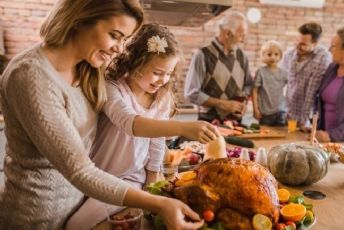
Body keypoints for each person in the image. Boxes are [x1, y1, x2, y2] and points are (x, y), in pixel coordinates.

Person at [0, 1, 210, 229]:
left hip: (81, 202)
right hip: (38, 217)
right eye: (115, 35)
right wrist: (157, 203)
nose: (120, 49)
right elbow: (79, 169)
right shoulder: (31, 75)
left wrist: (152, 180)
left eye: (124, 40)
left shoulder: (87, 68)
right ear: (80, 19)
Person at [66, 23, 220, 229]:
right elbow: (130, 124)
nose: (163, 80)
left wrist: (151, 183)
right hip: (99, 176)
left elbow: (156, 143)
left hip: (131, 179)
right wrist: (182, 128)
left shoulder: (162, 98)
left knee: (76, 226)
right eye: (157, 72)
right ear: (136, 62)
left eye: (168, 73)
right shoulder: (113, 88)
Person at [184, 11, 253, 123]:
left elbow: (249, 85)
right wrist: (222, 104)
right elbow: (192, 93)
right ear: (227, 33)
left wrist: (243, 102)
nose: (244, 39)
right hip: (209, 125)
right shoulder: (203, 55)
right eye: (241, 35)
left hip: (236, 125)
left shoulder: (242, 56)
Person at [280, 22, 332, 130]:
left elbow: (312, 90)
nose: (297, 46)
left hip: (309, 118)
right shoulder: (289, 55)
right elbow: (281, 83)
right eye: (297, 42)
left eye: (303, 44)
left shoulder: (323, 57)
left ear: (315, 42)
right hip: (288, 114)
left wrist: (305, 120)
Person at [252, 40, 288, 126]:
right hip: (265, 113)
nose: (273, 57)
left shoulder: (284, 73)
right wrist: (255, 109)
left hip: (281, 111)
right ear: (263, 55)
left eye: (276, 54)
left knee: (281, 135)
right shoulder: (260, 72)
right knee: (265, 135)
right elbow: (254, 91)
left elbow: (291, 88)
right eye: (269, 54)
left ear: (280, 56)